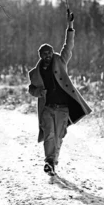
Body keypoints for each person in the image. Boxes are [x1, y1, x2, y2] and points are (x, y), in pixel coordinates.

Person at [28, 10, 92, 176]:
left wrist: (70, 26)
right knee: (48, 134)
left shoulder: (60, 61)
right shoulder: (35, 73)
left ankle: (53, 161)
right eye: (44, 53)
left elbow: (68, 46)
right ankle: (49, 161)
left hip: (63, 108)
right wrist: (38, 91)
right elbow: (31, 89)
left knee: (59, 136)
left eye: (49, 52)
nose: (48, 55)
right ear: (40, 55)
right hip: (47, 107)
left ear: (52, 53)